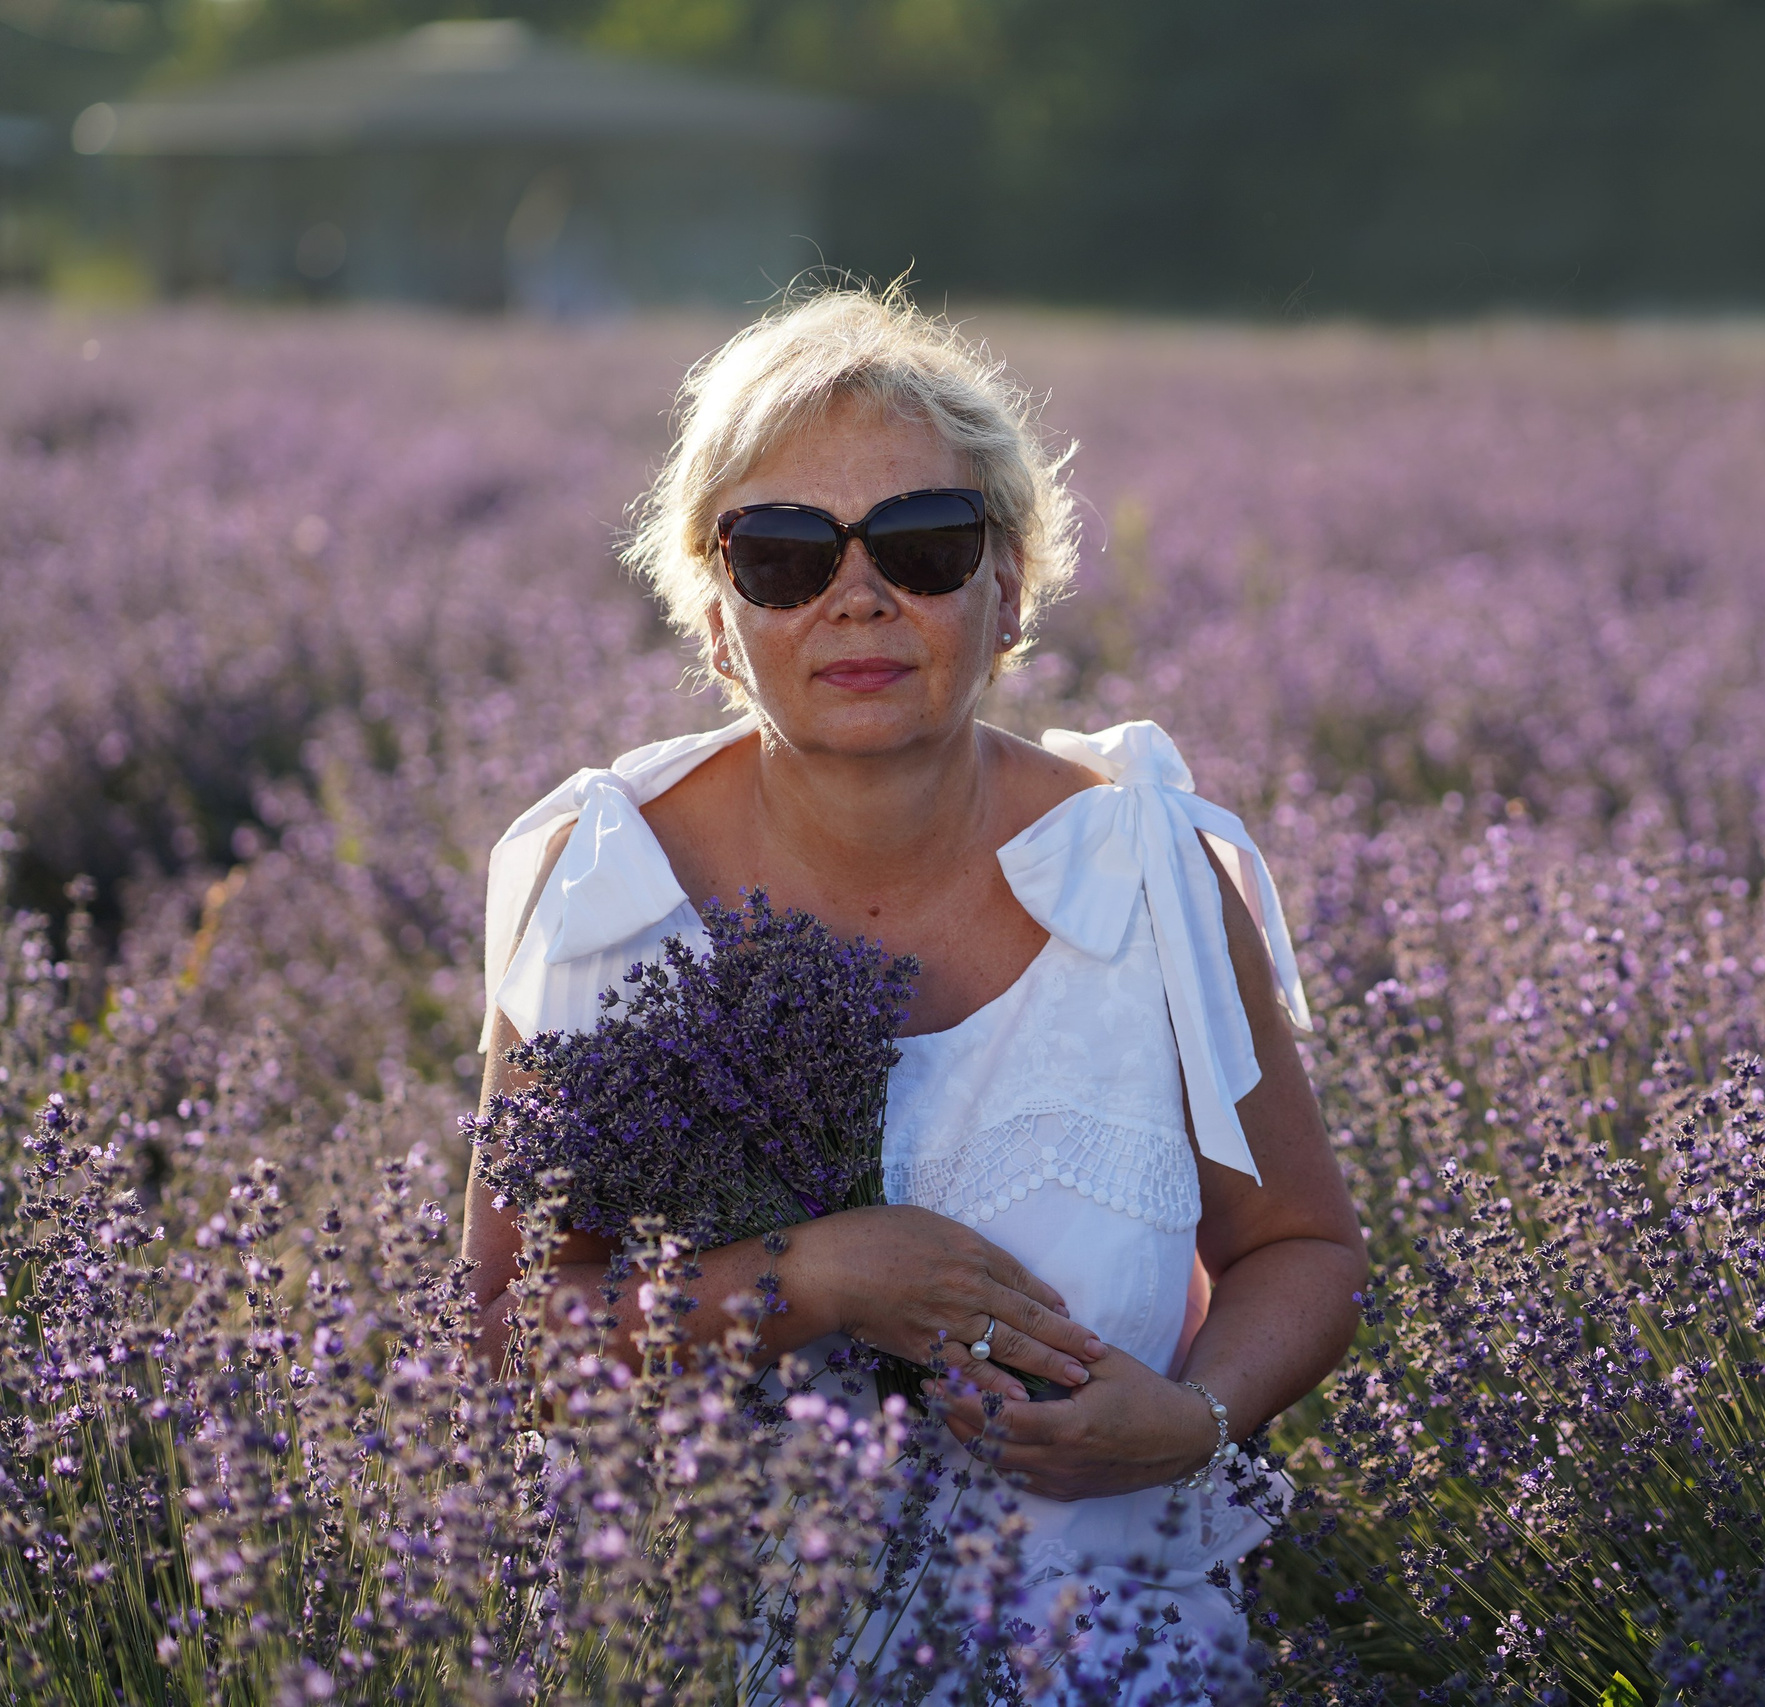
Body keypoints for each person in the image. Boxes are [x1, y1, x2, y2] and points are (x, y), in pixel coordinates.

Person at [459, 285, 1366, 1697]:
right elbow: (515, 1330)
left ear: (1007, 589)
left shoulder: (1148, 872)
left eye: (925, 546)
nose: (858, 598)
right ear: (713, 613)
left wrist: (1194, 1418)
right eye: (782, 555)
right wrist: (811, 1279)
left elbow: (1301, 1247)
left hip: (1110, 1652)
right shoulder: (602, 890)